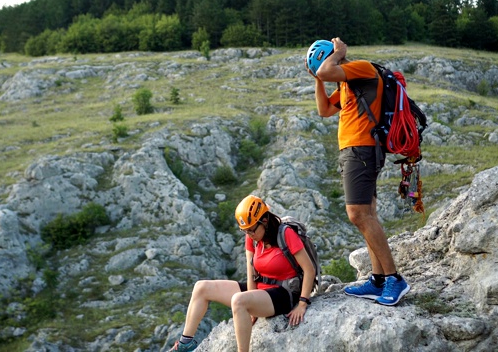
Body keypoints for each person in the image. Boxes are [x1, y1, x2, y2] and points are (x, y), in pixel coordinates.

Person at [305, 38, 410, 306]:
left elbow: (328, 70)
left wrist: (339, 53)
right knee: (368, 213)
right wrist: (317, 80)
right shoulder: (346, 84)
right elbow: (324, 110)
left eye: (325, 66)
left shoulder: (361, 69)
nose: (324, 73)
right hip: (354, 152)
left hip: (361, 150)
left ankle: (394, 278)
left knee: (358, 214)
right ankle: (377, 280)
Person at [168, 194, 316, 352]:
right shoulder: (251, 237)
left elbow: (309, 269)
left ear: (264, 221)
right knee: (201, 287)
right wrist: (252, 301)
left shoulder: (286, 234)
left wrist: (302, 303)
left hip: (285, 292)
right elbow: (251, 271)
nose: (249, 234)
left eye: (251, 230)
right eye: (245, 231)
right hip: (261, 289)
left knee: (238, 301)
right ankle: (185, 345)